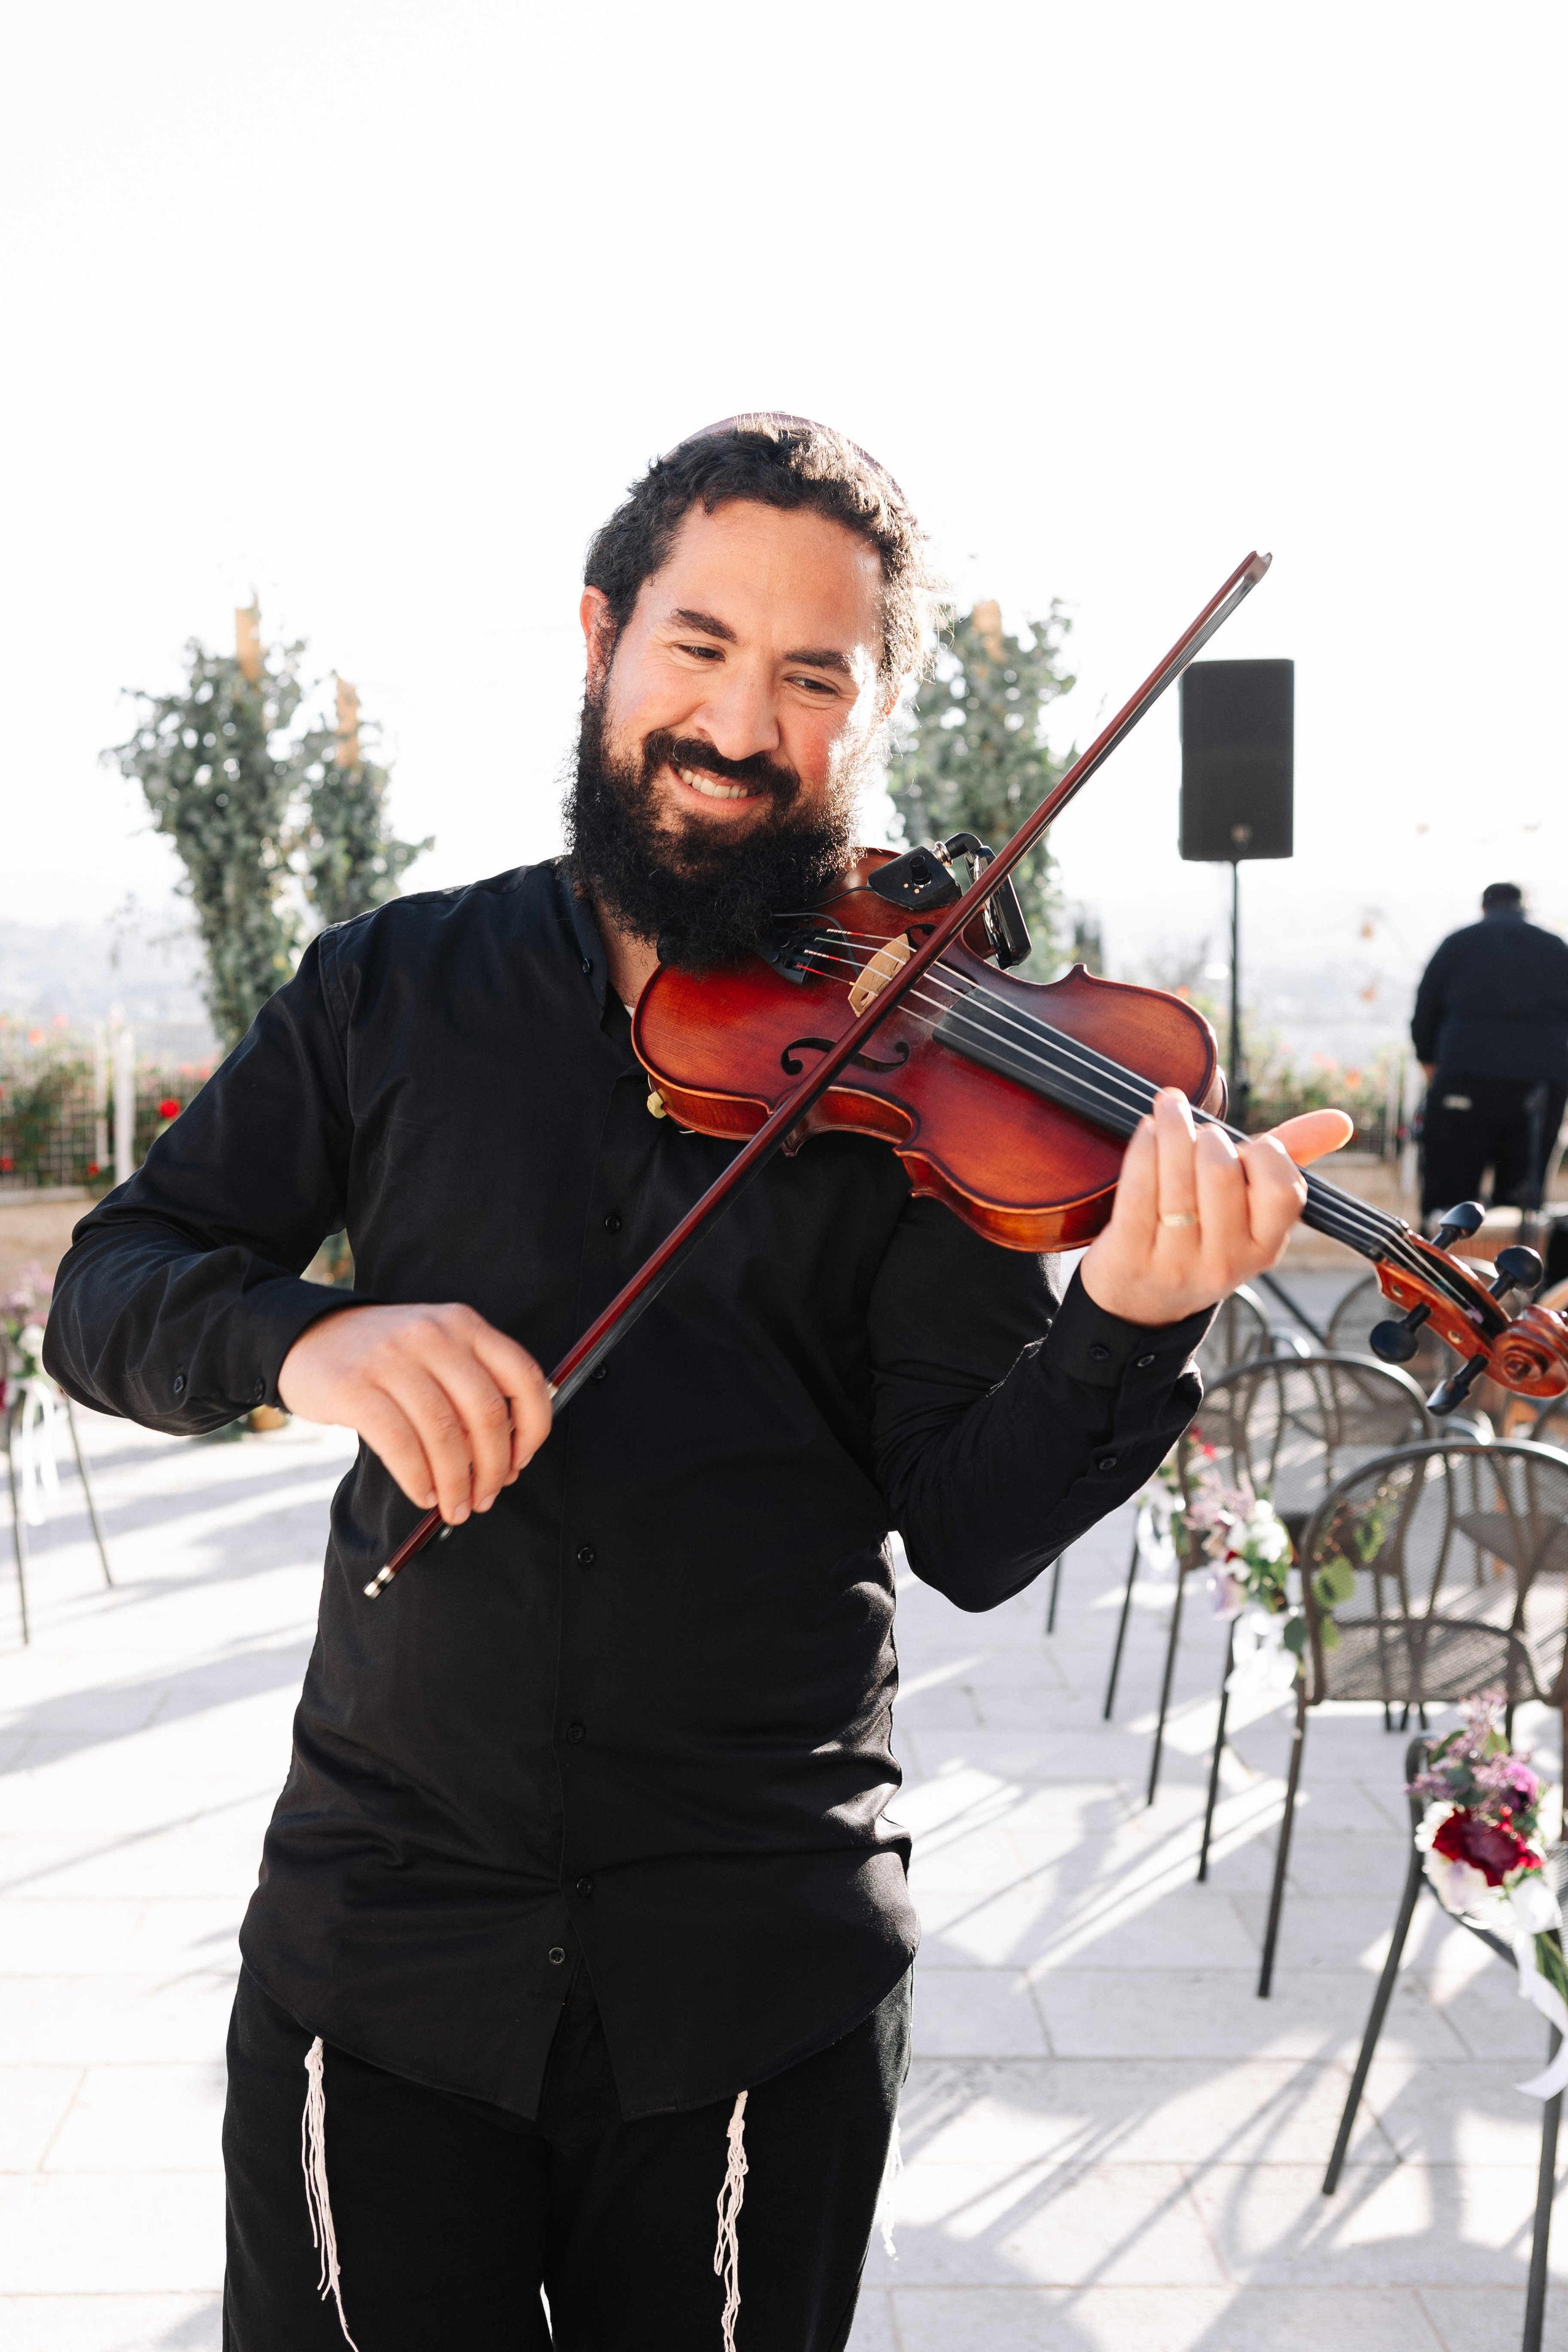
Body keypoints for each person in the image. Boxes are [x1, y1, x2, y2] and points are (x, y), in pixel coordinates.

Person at [44, 417, 1350, 2352]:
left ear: (867, 708)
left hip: (754, 1970)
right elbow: (109, 1289)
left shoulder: (932, 1059)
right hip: (386, 1937)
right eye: (700, 645)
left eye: (812, 675)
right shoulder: (391, 984)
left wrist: (1131, 1315)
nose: (743, 722)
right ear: (599, 639)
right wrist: (309, 1337)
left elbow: (975, 1525)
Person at [1412, 881, 1568, 1223]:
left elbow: (1425, 1012)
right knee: (1521, 1208)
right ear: (1524, 907)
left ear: (1485, 907)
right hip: (1538, 1089)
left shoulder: (1458, 944)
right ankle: (1515, 1273)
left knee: (1449, 1200)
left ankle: (1443, 1273)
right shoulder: (1556, 948)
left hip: (1464, 1080)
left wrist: (1431, 1066)